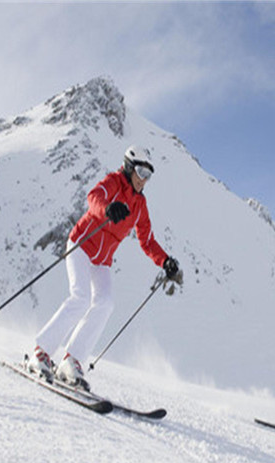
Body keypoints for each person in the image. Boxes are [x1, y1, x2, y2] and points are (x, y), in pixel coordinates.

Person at [27, 145, 181, 390]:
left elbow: (147, 240)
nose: (144, 179)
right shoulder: (114, 181)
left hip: (102, 260)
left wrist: (165, 261)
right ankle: (41, 352)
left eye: (148, 175)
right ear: (130, 167)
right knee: (80, 298)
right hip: (81, 245)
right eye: (141, 172)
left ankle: (71, 360)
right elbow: (93, 197)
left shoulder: (140, 205)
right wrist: (107, 209)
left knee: (106, 303)